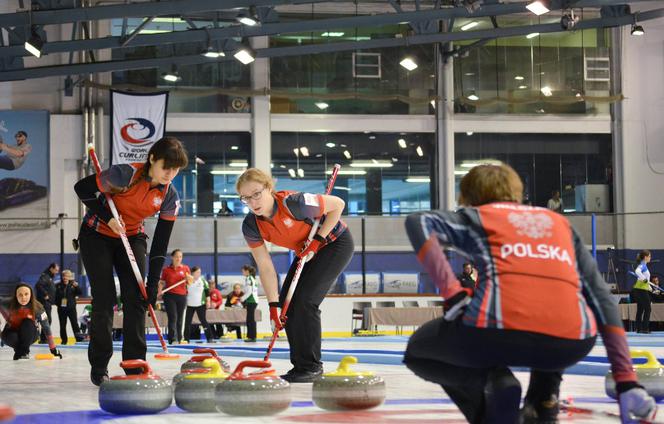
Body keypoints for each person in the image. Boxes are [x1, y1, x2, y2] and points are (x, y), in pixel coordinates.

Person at [403, 163, 656, 423]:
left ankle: (493, 386)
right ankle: (544, 401)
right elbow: (603, 300)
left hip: (494, 334)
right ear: (517, 195)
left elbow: (418, 221)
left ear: (468, 199)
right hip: (571, 342)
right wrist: (626, 381)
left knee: (417, 352)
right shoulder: (560, 224)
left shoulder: (478, 217)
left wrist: (454, 294)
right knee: (554, 313)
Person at [74, 136, 188, 386]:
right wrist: (108, 218)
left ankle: (135, 364)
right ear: (152, 160)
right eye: (166, 167)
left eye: (176, 169)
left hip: (133, 235)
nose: (170, 174)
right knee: (104, 299)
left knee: (137, 299)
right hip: (97, 234)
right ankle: (100, 364)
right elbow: (82, 188)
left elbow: (160, 242)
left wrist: (152, 282)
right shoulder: (124, 174)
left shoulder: (170, 196)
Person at [237, 168, 352, 383]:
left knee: (305, 301)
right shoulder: (251, 225)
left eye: (256, 194)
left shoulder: (295, 203)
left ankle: (312, 367)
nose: (253, 202)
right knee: (287, 306)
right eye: (245, 198)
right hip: (306, 250)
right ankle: (301, 367)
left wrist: (318, 240)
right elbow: (265, 265)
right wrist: (273, 305)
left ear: (269, 188)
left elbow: (338, 204)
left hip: (334, 243)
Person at [1, 283, 61, 360]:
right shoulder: (7, 303)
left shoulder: (38, 308)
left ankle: (22, 352)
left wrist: (53, 349)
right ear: (16, 295)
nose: (23, 297)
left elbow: (46, 328)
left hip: (30, 334)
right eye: (20, 295)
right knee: (12, 336)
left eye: (26, 294)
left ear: (31, 295)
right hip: (11, 333)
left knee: (27, 322)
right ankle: (21, 352)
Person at [158, 249, 192, 344]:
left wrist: (188, 279)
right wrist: (159, 291)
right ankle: (173, 338)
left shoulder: (185, 268)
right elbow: (162, 282)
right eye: (177, 256)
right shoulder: (166, 269)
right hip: (170, 296)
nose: (178, 258)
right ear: (172, 257)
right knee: (173, 317)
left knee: (180, 318)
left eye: (180, 257)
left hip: (182, 296)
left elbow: (189, 283)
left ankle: (179, 338)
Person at [183, 266, 213, 343]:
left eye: (200, 272)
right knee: (187, 322)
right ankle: (186, 339)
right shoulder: (187, 281)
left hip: (201, 304)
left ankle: (209, 338)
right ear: (192, 273)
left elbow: (207, 292)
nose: (199, 274)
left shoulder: (203, 281)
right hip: (190, 304)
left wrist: (208, 301)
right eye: (197, 272)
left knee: (203, 321)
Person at [54, 270, 83, 344]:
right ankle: (64, 340)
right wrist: (58, 304)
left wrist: (77, 287)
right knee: (62, 325)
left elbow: (80, 293)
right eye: (64, 276)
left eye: (67, 276)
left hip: (71, 309)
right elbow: (55, 297)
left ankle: (79, 339)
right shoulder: (57, 285)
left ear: (70, 277)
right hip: (61, 309)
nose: (65, 277)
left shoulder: (73, 285)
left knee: (75, 324)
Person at [34, 262, 58, 343]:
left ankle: (43, 338)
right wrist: (45, 294)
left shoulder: (49, 277)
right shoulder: (46, 276)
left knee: (47, 320)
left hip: (48, 303)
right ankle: (43, 339)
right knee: (46, 320)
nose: (57, 272)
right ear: (51, 269)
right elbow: (38, 285)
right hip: (44, 303)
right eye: (56, 270)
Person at [631, 250, 653, 334]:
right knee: (648, 308)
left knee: (640, 309)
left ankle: (638, 328)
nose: (650, 258)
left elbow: (645, 281)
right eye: (650, 256)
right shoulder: (642, 265)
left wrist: (650, 287)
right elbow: (637, 272)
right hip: (640, 290)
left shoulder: (644, 265)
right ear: (645, 257)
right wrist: (644, 279)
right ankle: (645, 328)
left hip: (640, 289)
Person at [240, 265, 258, 342]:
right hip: (251, 301)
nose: (242, 273)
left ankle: (252, 336)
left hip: (252, 301)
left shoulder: (249, 278)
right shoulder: (251, 278)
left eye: (243, 271)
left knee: (250, 320)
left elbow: (249, 291)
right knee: (250, 319)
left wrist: (242, 298)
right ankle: (251, 336)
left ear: (247, 271)